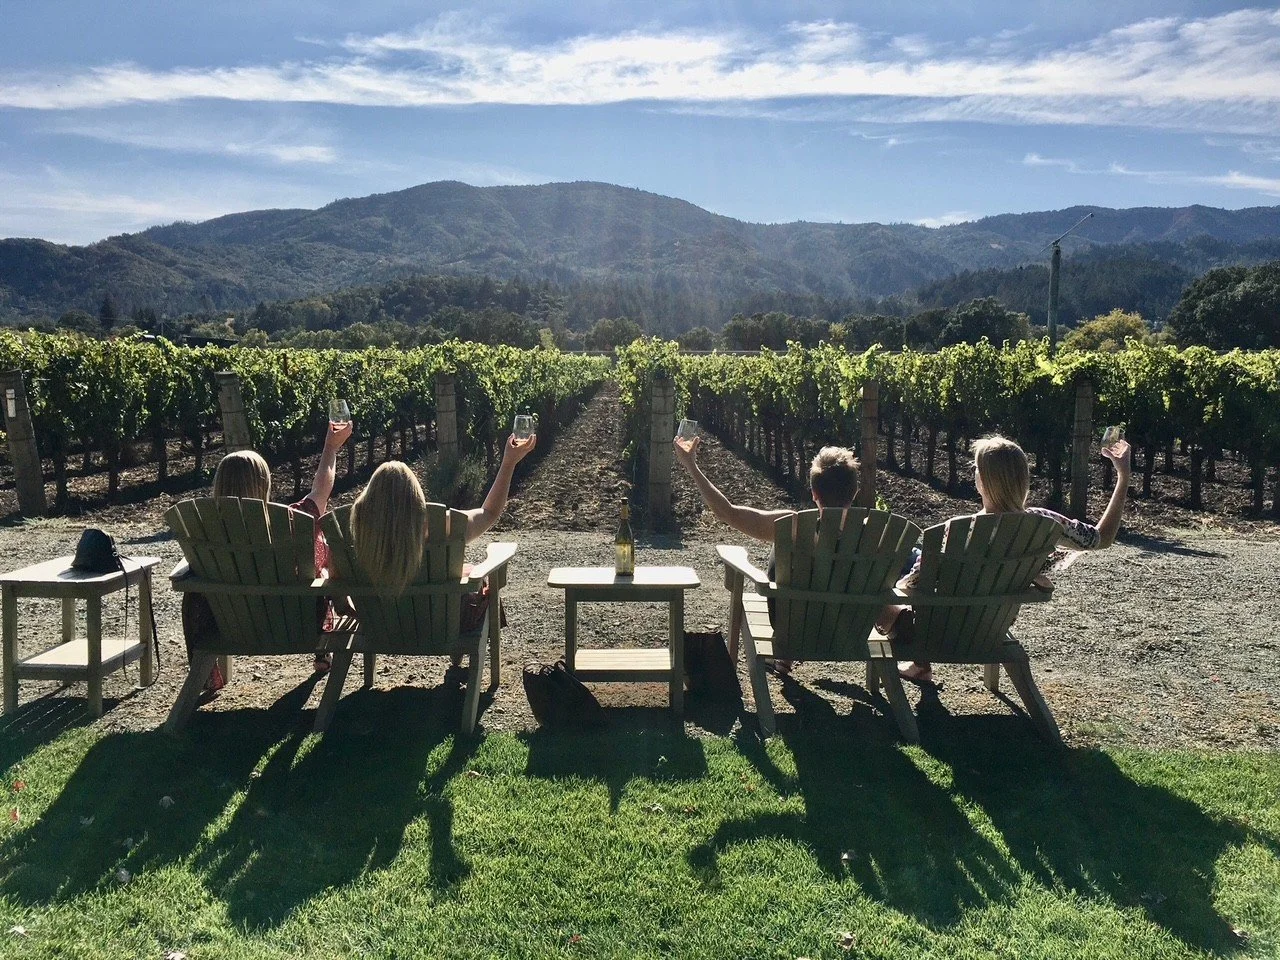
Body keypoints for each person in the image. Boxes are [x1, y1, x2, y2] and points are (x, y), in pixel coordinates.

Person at [896, 433, 1132, 683]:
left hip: (945, 630)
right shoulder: (1044, 523)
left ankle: (920, 663)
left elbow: (913, 584)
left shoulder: (956, 531)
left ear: (982, 480)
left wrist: (897, 585)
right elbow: (1101, 538)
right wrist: (1123, 477)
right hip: (993, 626)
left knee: (908, 566)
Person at [182, 420, 354, 690]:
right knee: (319, 557)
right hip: (293, 628)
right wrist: (330, 448)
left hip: (230, 628)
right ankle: (322, 654)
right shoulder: (290, 522)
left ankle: (207, 680)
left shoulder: (207, 536)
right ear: (264, 484)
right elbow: (322, 488)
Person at [346, 433, 536, 669]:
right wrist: (508, 463)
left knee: (463, 571)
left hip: (381, 625)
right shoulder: (442, 526)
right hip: (441, 624)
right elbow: (489, 513)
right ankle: (460, 663)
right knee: (482, 582)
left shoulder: (352, 531)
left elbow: (338, 588)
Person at [673, 435, 861, 672]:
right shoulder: (874, 534)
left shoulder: (793, 525)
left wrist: (691, 465)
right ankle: (786, 659)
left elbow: (727, 513)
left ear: (814, 493)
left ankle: (786, 655)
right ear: (854, 492)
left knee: (784, 542)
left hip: (792, 631)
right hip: (849, 633)